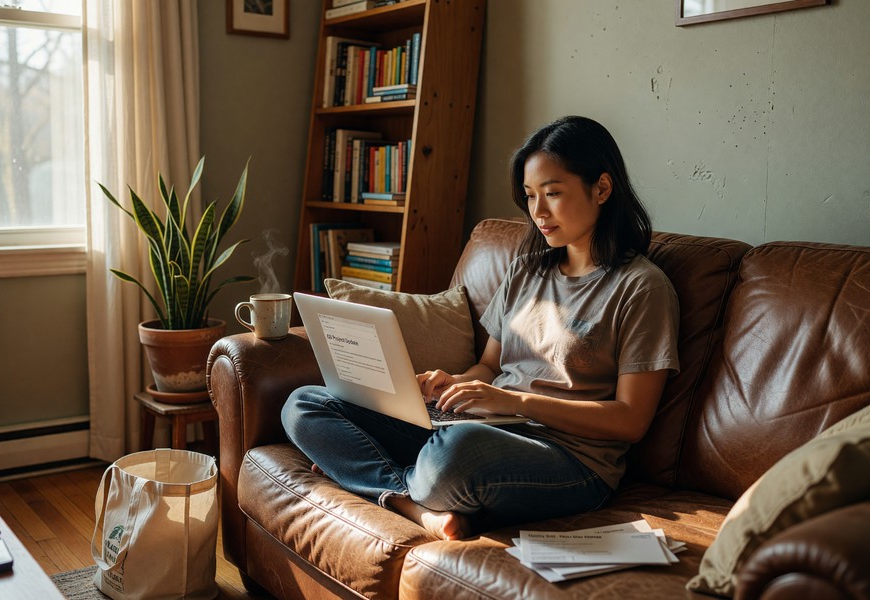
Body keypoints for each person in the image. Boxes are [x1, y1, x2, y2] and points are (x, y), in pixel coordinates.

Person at [282, 115, 679, 541]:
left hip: (567, 458)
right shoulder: (526, 271)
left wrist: (515, 402)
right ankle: (413, 503)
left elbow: (630, 420)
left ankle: (367, 476)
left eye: (553, 194)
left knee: (454, 455)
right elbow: (488, 367)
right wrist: (449, 385)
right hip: (487, 427)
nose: (538, 212)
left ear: (602, 188)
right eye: (529, 196)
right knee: (305, 405)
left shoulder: (641, 287)